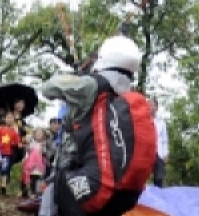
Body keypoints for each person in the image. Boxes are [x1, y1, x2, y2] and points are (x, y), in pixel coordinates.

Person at [37, 35, 144, 216]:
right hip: (123, 191)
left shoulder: (91, 85)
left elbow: (48, 88)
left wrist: (78, 76)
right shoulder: (129, 94)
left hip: (85, 181)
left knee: (51, 190)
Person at [150, 99, 168, 189]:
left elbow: (164, 140)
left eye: (152, 105)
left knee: (158, 178)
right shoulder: (143, 120)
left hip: (158, 152)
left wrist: (165, 154)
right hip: (147, 152)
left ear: (156, 107)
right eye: (149, 104)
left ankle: (158, 198)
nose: (150, 106)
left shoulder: (161, 122)